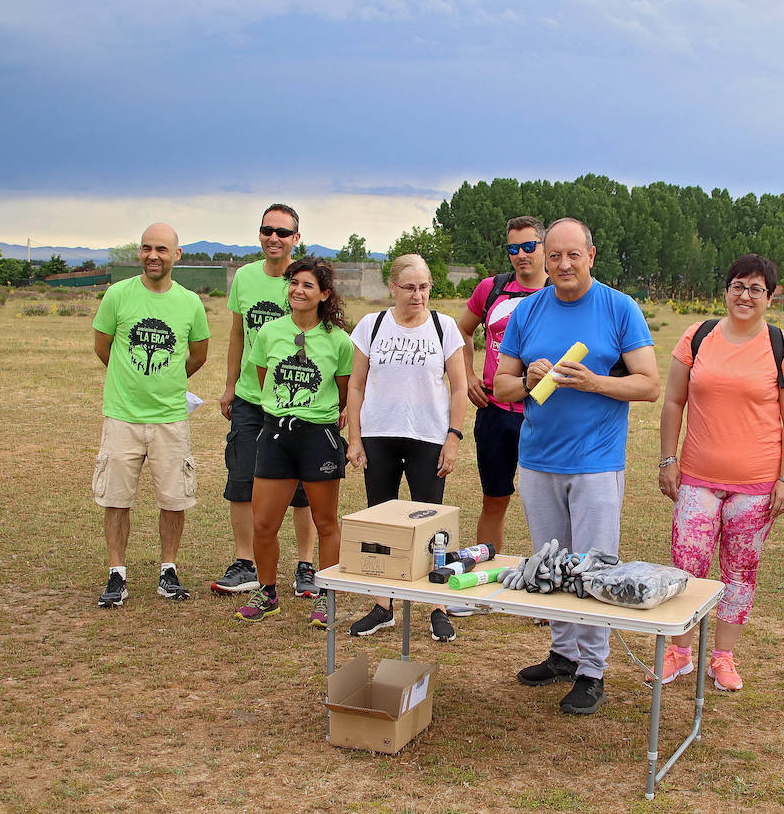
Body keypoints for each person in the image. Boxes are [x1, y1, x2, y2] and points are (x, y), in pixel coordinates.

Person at [494, 217, 660, 715]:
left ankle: (593, 669)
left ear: (591, 255)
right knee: (550, 563)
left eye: (574, 255)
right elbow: (501, 387)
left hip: (595, 462)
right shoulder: (528, 311)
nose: (563, 265)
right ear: (545, 259)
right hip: (539, 460)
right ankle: (563, 654)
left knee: (593, 565)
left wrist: (595, 383)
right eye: (554, 256)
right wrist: (528, 377)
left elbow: (649, 384)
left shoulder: (618, 307)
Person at [655, 254, 784, 692]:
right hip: (698, 478)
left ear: (770, 297)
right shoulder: (697, 336)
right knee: (687, 566)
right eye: (739, 285)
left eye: (756, 289)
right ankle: (679, 651)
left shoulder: (783, 345)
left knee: (740, 572)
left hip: (756, 485)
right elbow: (672, 402)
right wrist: (669, 460)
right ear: (726, 290)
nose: (746, 295)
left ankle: (722, 657)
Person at [345, 254, 469, 643]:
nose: (418, 295)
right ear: (393, 288)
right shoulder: (372, 325)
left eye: (425, 287)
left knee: (434, 527)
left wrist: (453, 438)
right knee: (381, 525)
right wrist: (355, 439)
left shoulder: (443, 326)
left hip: (428, 438)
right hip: (379, 436)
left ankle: (438, 606)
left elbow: (460, 388)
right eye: (410, 287)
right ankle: (383, 606)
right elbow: (356, 385)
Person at [91, 223, 209, 607]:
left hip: (170, 418)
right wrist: (131, 381)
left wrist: (169, 380)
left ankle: (168, 570)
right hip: (123, 416)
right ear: (139, 253)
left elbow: (199, 353)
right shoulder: (118, 295)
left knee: (174, 499)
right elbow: (103, 346)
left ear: (177, 255)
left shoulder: (189, 302)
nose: (152, 255)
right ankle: (116, 573)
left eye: (161, 249)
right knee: (116, 498)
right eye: (145, 248)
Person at [234, 258, 353, 628]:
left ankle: (326, 596)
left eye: (308, 286)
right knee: (264, 523)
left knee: (326, 521)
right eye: (294, 284)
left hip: (319, 437)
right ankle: (267, 593)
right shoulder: (270, 333)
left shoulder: (339, 340)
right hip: (275, 436)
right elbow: (264, 378)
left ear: (324, 294)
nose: (298, 291)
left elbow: (345, 393)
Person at [211, 204, 318, 599]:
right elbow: (238, 335)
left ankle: (305, 565)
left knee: (303, 486)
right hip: (249, 399)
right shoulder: (245, 277)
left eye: (283, 232)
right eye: (267, 230)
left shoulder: (303, 280)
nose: (274, 237)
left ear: (296, 237)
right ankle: (246, 563)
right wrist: (229, 387)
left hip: (294, 401)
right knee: (241, 479)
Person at [455, 215, 548, 557]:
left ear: (544, 246)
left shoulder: (560, 292)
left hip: (545, 413)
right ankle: (481, 578)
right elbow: (461, 331)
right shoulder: (491, 288)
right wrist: (468, 376)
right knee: (494, 499)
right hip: (495, 412)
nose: (521, 255)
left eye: (529, 247)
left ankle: (551, 588)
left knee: (548, 503)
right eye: (513, 248)